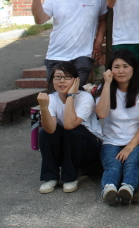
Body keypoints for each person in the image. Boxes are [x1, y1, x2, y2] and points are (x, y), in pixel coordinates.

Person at [31, 0, 107, 85]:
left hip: (83, 55)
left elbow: (103, 20)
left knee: (76, 92)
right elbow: (40, 20)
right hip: (56, 55)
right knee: (57, 94)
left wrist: (98, 42)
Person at [95, 49, 139, 206]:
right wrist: (107, 83)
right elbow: (101, 114)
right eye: (116, 67)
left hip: (138, 140)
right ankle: (109, 189)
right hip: (111, 140)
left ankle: (128, 189)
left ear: (133, 68)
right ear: (110, 70)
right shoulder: (105, 88)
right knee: (112, 166)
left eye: (125, 66)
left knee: (132, 164)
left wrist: (130, 147)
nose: (121, 71)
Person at [36, 62, 102, 194]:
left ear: (76, 80)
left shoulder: (85, 98)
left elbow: (69, 124)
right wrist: (43, 108)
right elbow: (50, 129)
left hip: (88, 149)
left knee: (73, 131)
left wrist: (70, 96)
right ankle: (51, 177)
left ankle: (70, 177)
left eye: (67, 77)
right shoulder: (52, 98)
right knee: (44, 133)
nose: (62, 81)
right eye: (57, 77)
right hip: (67, 148)